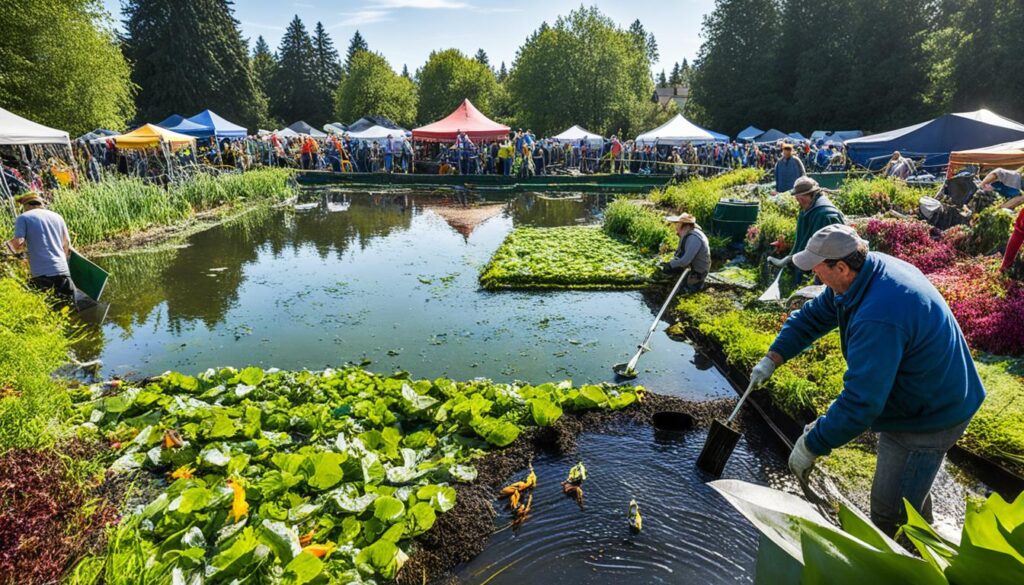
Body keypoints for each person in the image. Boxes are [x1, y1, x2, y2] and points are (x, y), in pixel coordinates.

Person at [749, 224, 985, 535]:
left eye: (817, 270)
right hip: (921, 391)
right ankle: (924, 533)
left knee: (890, 514)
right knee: (907, 494)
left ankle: (908, 568)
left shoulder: (879, 314)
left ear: (842, 267)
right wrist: (772, 359)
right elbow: (812, 317)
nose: (814, 277)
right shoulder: (863, 275)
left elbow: (862, 403)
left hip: (932, 412)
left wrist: (812, 443)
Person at [769, 176, 846, 283]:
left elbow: (826, 250)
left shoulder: (825, 215)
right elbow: (802, 239)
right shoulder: (808, 209)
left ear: (812, 195)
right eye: (797, 198)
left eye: (801, 198)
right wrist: (791, 257)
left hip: (828, 265)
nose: (799, 201)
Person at [6, 192, 76, 301]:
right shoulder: (58, 217)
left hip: (43, 274)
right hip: (63, 272)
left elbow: (19, 242)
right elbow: (66, 244)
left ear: (26, 205)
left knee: (50, 310)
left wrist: (8, 247)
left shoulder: (23, 217)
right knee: (69, 310)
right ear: (41, 204)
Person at [979, 167, 1024, 271]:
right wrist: (981, 185)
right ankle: (1005, 267)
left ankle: (1005, 267)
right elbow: (997, 172)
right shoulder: (1006, 178)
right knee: (1019, 231)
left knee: (1019, 232)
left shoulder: (1015, 182)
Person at [659, 213, 710, 292]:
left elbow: (685, 261)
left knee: (682, 291)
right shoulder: (688, 233)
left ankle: (693, 286)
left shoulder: (694, 238)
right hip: (690, 266)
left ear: (686, 226)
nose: (676, 228)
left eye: (678, 225)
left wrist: (670, 265)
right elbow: (679, 253)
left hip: (697, 272)